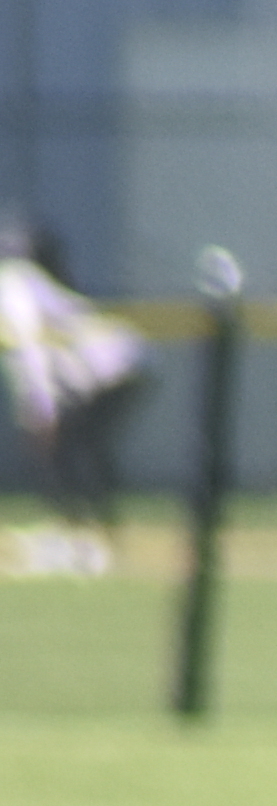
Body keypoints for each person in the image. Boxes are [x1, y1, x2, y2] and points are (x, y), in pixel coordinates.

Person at [3, 221, 154, 574]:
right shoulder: (26, 281)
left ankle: (79, 540)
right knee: (80, 446)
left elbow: (32, 346)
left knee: (70, 446)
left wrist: (44, 407)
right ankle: (86, 536)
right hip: (124, 361)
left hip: (113, 365)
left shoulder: (13, 282)